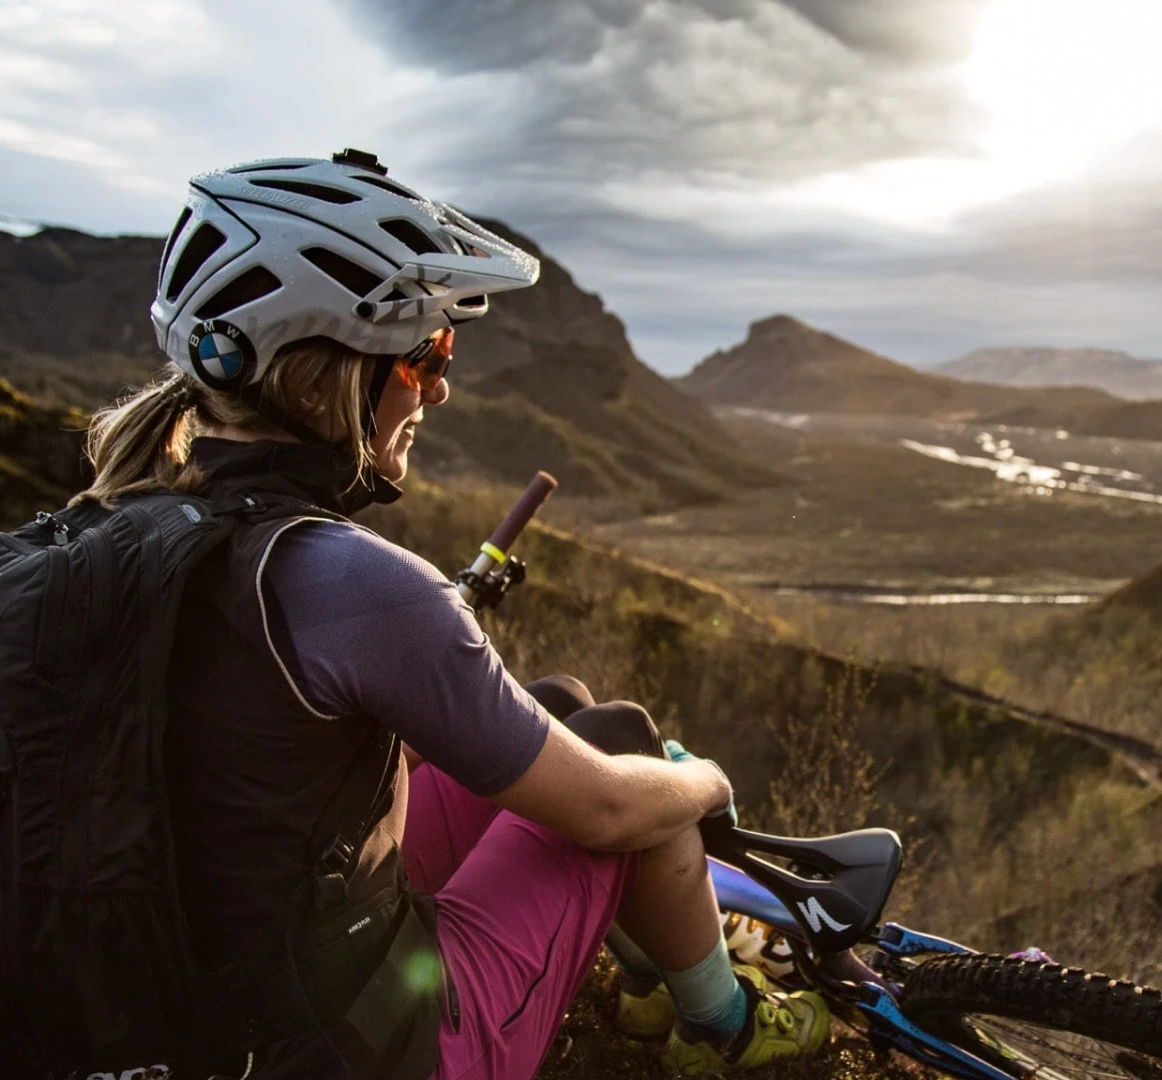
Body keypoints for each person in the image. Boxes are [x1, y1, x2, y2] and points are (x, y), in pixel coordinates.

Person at [79, 151, 829, 1078]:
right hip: (351, 1050)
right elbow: (602, 809)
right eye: (424, 353)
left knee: (557, 702)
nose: (436, 388)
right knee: (634, 772)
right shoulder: (350, 580)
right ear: (320, 382)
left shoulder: (114, 531)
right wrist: (709, 779)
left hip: (177, 996)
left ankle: (646, 988)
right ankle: (727, 1031)